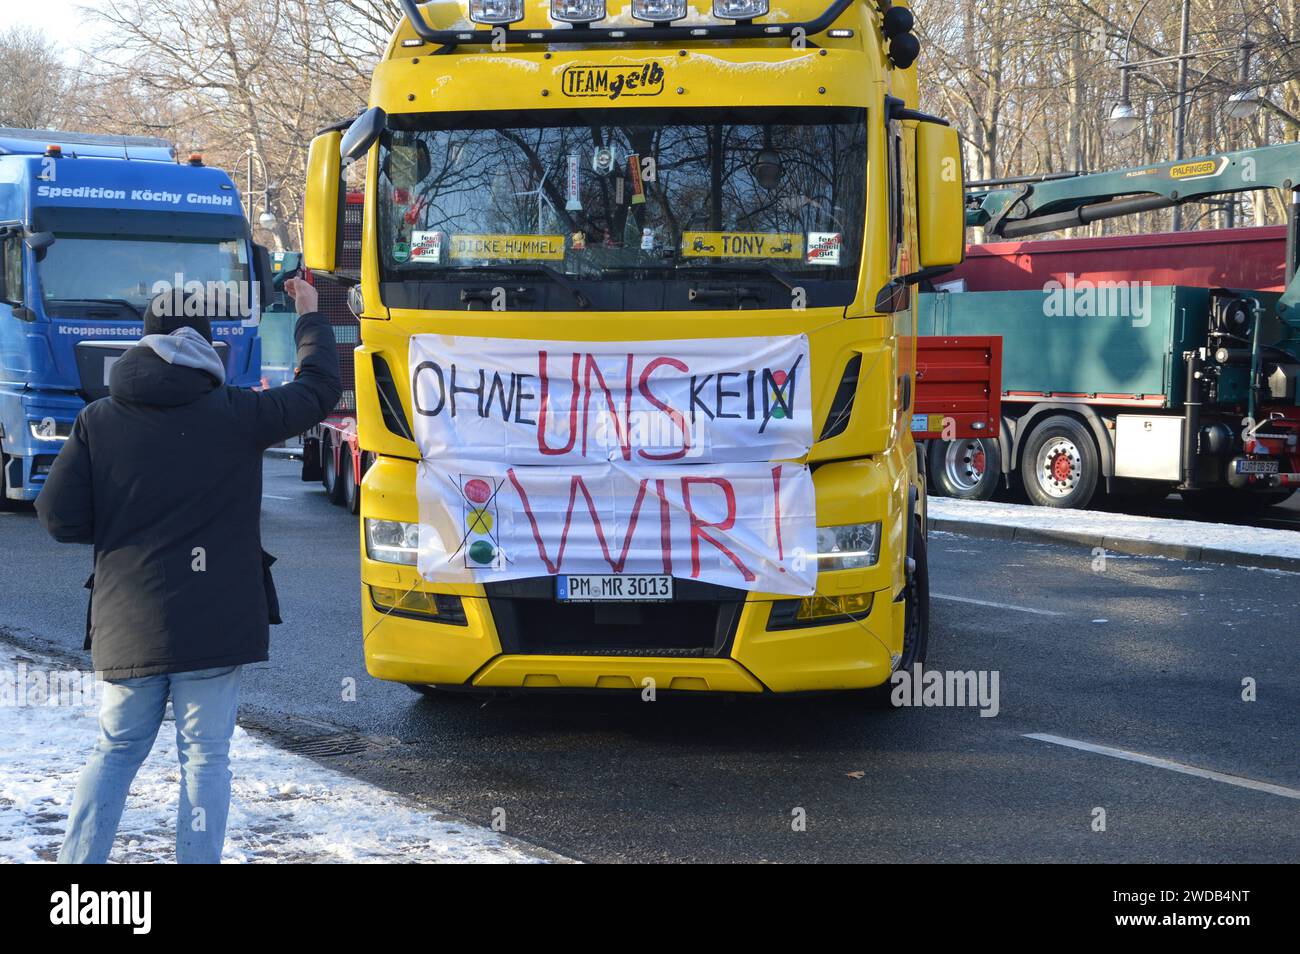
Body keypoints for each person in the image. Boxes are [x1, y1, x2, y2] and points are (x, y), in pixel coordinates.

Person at [36, 277, 341, 864]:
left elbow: (56, 518)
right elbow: (319, 390)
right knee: (205, 757)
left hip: (129, 616)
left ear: (141, 344)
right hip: (215, 619)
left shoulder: (99, 419)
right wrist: (309, 317)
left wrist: (121, 528)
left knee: (116, 749)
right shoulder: (239, 413)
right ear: (208, 349)